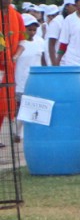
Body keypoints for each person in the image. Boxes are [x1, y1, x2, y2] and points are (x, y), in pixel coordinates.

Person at [14, 13, 47, 142]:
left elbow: (42, 59)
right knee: (22, 106)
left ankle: (29, 132)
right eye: (29, 29)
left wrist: (44, 74)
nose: (32, 32)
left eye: (34, 30)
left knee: (33, 107)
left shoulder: (40, 42)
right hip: (20, 80)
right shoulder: (18, 43)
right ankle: (18, 131)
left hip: (35, 80)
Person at [0, 0, 26, 145]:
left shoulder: (17, 16)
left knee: (6, 101)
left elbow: (22, 41)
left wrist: (15, 56)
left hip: (10, 67)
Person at [47, 0, 75, 65]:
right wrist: (55, 65)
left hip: (73, 63)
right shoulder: (57, 22)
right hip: (61, 64)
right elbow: (51, 45)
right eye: (74, 5)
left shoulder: (75, 21)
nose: (77, 8)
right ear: (67, 6)